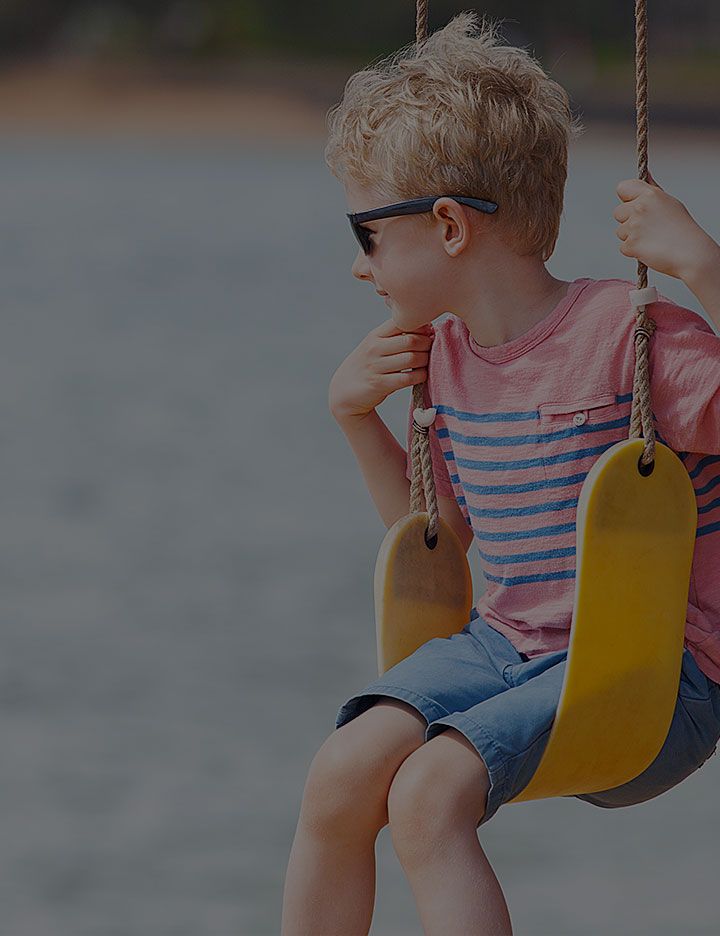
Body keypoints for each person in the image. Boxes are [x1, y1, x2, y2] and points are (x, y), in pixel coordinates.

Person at [281, 12, 720, 935]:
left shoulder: (631, 336)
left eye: (367, 235)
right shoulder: (442, 359)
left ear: (448, 226)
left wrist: (702, 266)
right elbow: (435, 537)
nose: (358, 268)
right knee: (341, 774)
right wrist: (355, 417)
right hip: (508, 646)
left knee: (428, 793)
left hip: (656, 670)